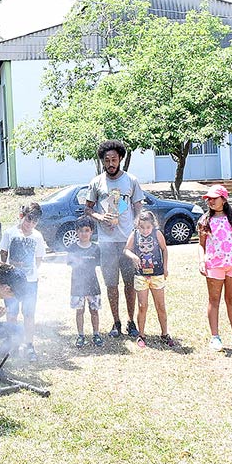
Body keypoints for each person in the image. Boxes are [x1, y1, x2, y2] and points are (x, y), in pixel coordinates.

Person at [84, 140, 145, 339]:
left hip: (127, 241)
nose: (111, 163)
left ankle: (131, 321)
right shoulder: (96, 182)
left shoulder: (131, 180)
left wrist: (136, 222)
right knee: (111, 284)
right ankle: (116, 322)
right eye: (107, 160)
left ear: (120, 159)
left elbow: (138, 206)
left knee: (129, 283)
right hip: (106, 242)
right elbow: (88, 208)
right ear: (102, 161)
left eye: (114, 159)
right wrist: (100, 217)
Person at [197, 184, 232, 352]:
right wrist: (201, 261)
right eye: (208, 199)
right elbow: (201, 245)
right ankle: (215, 336)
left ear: (224, 199)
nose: (210, 201)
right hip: (214, 265)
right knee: (214, 300)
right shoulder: (205, 221)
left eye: (214, 198)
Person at [0, 202, 46, 361]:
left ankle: (29, 345)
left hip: (30, 282)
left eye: (34, 222)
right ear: (21, 216)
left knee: (28, 313)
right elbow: (4, 254)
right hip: (12, 282)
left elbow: (38, 260)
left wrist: (29, 273)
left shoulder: (37, 236)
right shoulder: (10, 233)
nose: (30, 225)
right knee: (12, 313)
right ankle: (13, 343)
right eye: (28, 220)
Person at [124, 210, 173, 348]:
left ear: (152, 226)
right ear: (138, 226)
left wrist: (165, 267)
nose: (145, 230)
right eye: (142, 227)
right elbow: (126, 249)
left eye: (148, 227)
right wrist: (133, 256)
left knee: (160, 306)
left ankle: (164, 333)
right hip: (140, 276)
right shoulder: (134, 234)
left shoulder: (157, 233)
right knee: (142, 306)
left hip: (157, 275)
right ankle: (141, 334)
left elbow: (164, 249)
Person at [67, 216, 103, 348]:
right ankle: (80, 335)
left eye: (87, 230)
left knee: (94, 310)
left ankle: (96, 334)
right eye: (81, 230)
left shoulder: (96, 248)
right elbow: (70, 263)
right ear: (77, 232)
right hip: (77, 285)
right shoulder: (72, 248)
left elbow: (99, 264)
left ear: (91, 231)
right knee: (79, 311)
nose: (84, 233)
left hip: (93, 284)